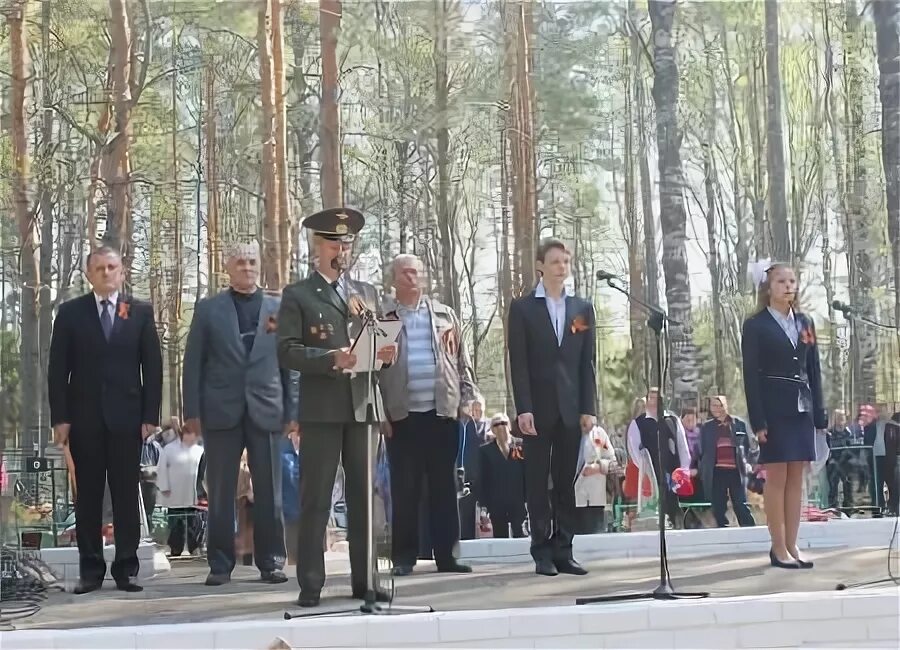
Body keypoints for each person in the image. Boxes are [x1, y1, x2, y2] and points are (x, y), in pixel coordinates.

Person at [277, 207, 397, 608]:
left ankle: (368, 580)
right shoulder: (298, 295)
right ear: (317, 247)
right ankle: (310, 582)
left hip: (363, 405)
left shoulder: (366, 293)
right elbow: (287, 351)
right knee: (318, 497)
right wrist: (333, 358)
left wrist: (386, 352)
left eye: (346, 244)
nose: (341, 250)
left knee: (367, 498)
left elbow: (377, 345)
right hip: (322, 407)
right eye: (334, 243)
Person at [182, 241, 300, 586]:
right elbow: (193, 365)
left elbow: (290, 365)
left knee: (270, 491)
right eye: (240, 263)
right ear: (228, 268)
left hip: (267, 409)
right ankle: (219, 565)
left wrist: (293, 411)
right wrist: (192, 412)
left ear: (259, 266)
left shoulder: (279, 308)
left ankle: (272, 561)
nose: (247, 268)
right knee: (219, 492)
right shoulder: (209, 310)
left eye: (252, 262)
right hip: (221, 411)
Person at [47, 245, 163, 593]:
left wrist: (150, 416)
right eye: (99, 268)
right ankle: (91, 570)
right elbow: (57, 371)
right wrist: (60, 418)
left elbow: (152, 367)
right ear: (89, 274)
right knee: (89, 497)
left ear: (122, 272)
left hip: (128, 420)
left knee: (127, 495)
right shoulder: (70, 314)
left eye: (112, 267)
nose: (106, 273)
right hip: (85, 420)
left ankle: (126, 568)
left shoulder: (138, 312)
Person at [379, 254, 477, 576]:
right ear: (394, 279)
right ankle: (404, 558)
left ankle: (447, 556)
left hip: (442, 414)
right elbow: (372, 372)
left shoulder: (445, 315)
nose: (412, 277)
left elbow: (461, 360)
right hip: (401, 416)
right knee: (404, 490)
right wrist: (379, 413)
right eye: (405, 272)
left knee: (444, 489)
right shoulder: (384, 319)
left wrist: (468, 398)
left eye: (417, 272)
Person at [507, 238, 597, 577]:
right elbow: (519, 363)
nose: (562, 266)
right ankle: (541, 551)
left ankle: (564, 549)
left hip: (571, 409)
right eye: (556, 261)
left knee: (564, 482)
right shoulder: (523, 308)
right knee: (537, 483)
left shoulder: (581, 309)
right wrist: (523, 408)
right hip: (537, 409)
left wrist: (588, 407)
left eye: (566, 261)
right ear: (541, 266)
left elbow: (586, 362)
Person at [742, 262, 826, 569]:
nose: (788, 286)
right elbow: (750, 375)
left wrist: (820, 413)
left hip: (802, 408)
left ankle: (793, 544)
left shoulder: (805, 323)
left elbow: (813, 369)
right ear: (768, 287)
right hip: (773, 409)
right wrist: (758, 421)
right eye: (781, 281)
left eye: (792, 281)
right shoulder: (755, 325)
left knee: (796, 479)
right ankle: (778, 548)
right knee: (776, 478)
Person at [626, 387, 691, 527]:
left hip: (671, 474)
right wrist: (646, 471)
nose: (654, 401)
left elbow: (682, 446)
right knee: (653, 511)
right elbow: (634, 450)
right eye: (651, 398)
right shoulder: (637, 423)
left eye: (657, 398)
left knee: (672, 509)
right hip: (650, 475)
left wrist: (683, 470)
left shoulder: (673, 420)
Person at [698, 395, 756, 528]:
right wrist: (701, 468)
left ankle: (750, 529)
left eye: (720, 405)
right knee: (718, 505)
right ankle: (722, 531)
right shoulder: (707, 427)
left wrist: (748, 463)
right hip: (717, 471)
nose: (717, 409)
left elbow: (751, 446)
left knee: (740, 503)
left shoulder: (739, 424)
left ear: (726, 406)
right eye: (714, 406)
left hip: (736, 470)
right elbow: (702, 451)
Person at [157, 427, 205, 556]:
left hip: (191, 492)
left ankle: (193, 545)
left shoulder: (199, 451)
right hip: (174, 492)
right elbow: (161, 468)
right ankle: (175, 547)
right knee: (175, 521)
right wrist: (164, 486)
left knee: (193, 521)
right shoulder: (169, 449)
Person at [478, 413, 527, 538]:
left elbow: (527, 473)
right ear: (492, 429)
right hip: (496, 503)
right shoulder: (485, 451)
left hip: (518, 501)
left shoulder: (520, 446)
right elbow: (482, 479)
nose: (501, 427)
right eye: (497, 424)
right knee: (500, 537)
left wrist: (528, 500)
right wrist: (483, 506)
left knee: (520, 535)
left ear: (509, 426)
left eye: (504, 423)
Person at [574, 424, 618, 534]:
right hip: (570, 499)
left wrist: (598, 467)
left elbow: (613, 462)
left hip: (594, 501)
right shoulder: (563, 431)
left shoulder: (598, 434)